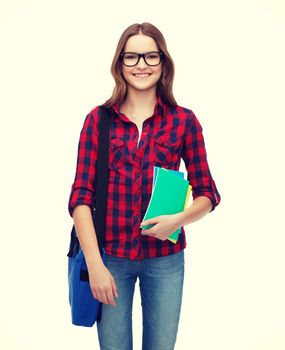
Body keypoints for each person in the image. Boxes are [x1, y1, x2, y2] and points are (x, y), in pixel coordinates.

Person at [68, 22, 221, 350]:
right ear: (119, 64)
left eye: (151, 56)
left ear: (163, 63)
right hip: (110, 258)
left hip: (165, 259)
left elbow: (207, 191)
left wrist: (176, 220)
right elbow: (80, 197)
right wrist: (95, 265)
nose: (141, 65)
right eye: (132, 57)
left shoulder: (184, 121)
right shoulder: (98, 120)